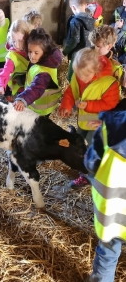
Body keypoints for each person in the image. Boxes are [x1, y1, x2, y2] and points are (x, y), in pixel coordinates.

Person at [59, 47, 120, 189]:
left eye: (84, 75)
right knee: (79, 143)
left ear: (97, 69)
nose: (80, 78)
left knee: (93, 150)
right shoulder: (81, 74)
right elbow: (71, 91)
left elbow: (110, 104)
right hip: (83, 121)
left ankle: (89, 175)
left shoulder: (109, 83)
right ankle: (83, 166)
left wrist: (88, 105)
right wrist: (66, 106)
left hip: (98, 124)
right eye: (78, 74)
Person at [84, 98, 126, 282]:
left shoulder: (112, 125)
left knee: (109, 248)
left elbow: (91, 163)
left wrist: (105, 127)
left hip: (116, 214)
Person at [13, 27, 62, 116]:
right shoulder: (40, 61)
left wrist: (22, 99)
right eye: (29, 51)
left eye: (36, 52)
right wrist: (20, 79)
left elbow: (36, 88)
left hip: (42, 109)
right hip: (36, 104)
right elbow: (33, 76)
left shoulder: (44, 73)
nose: (31, 56)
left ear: (45, 52)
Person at [0, 19, 30, 98]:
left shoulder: (31, 48)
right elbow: (5, 71)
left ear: (27, 37)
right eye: (14, 41)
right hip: (21, 89)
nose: (17, 46)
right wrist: (1, 86)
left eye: (21, 41)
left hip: (32, 85)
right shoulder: (12, 56)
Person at [63, 0, 95, 82]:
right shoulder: (91, 19)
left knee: (71, 77)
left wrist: (65, 51)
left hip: (78, 54)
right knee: (85, 74)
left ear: (73, 7)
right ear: (85, 5)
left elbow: (75, 40)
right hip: (88, 52)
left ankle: (74, 92)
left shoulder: (75, 21)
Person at [90, 25, 125, 96]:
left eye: (98, 46)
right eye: (93, 45)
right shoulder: (89, 56)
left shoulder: (115, 67)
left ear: (109, 46)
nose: (94, 49)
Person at [110, 0, 126, 64]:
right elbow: (110, 24)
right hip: (113, 40)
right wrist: (115, 26)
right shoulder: (118, 10)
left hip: (122, 45)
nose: (124, 1)